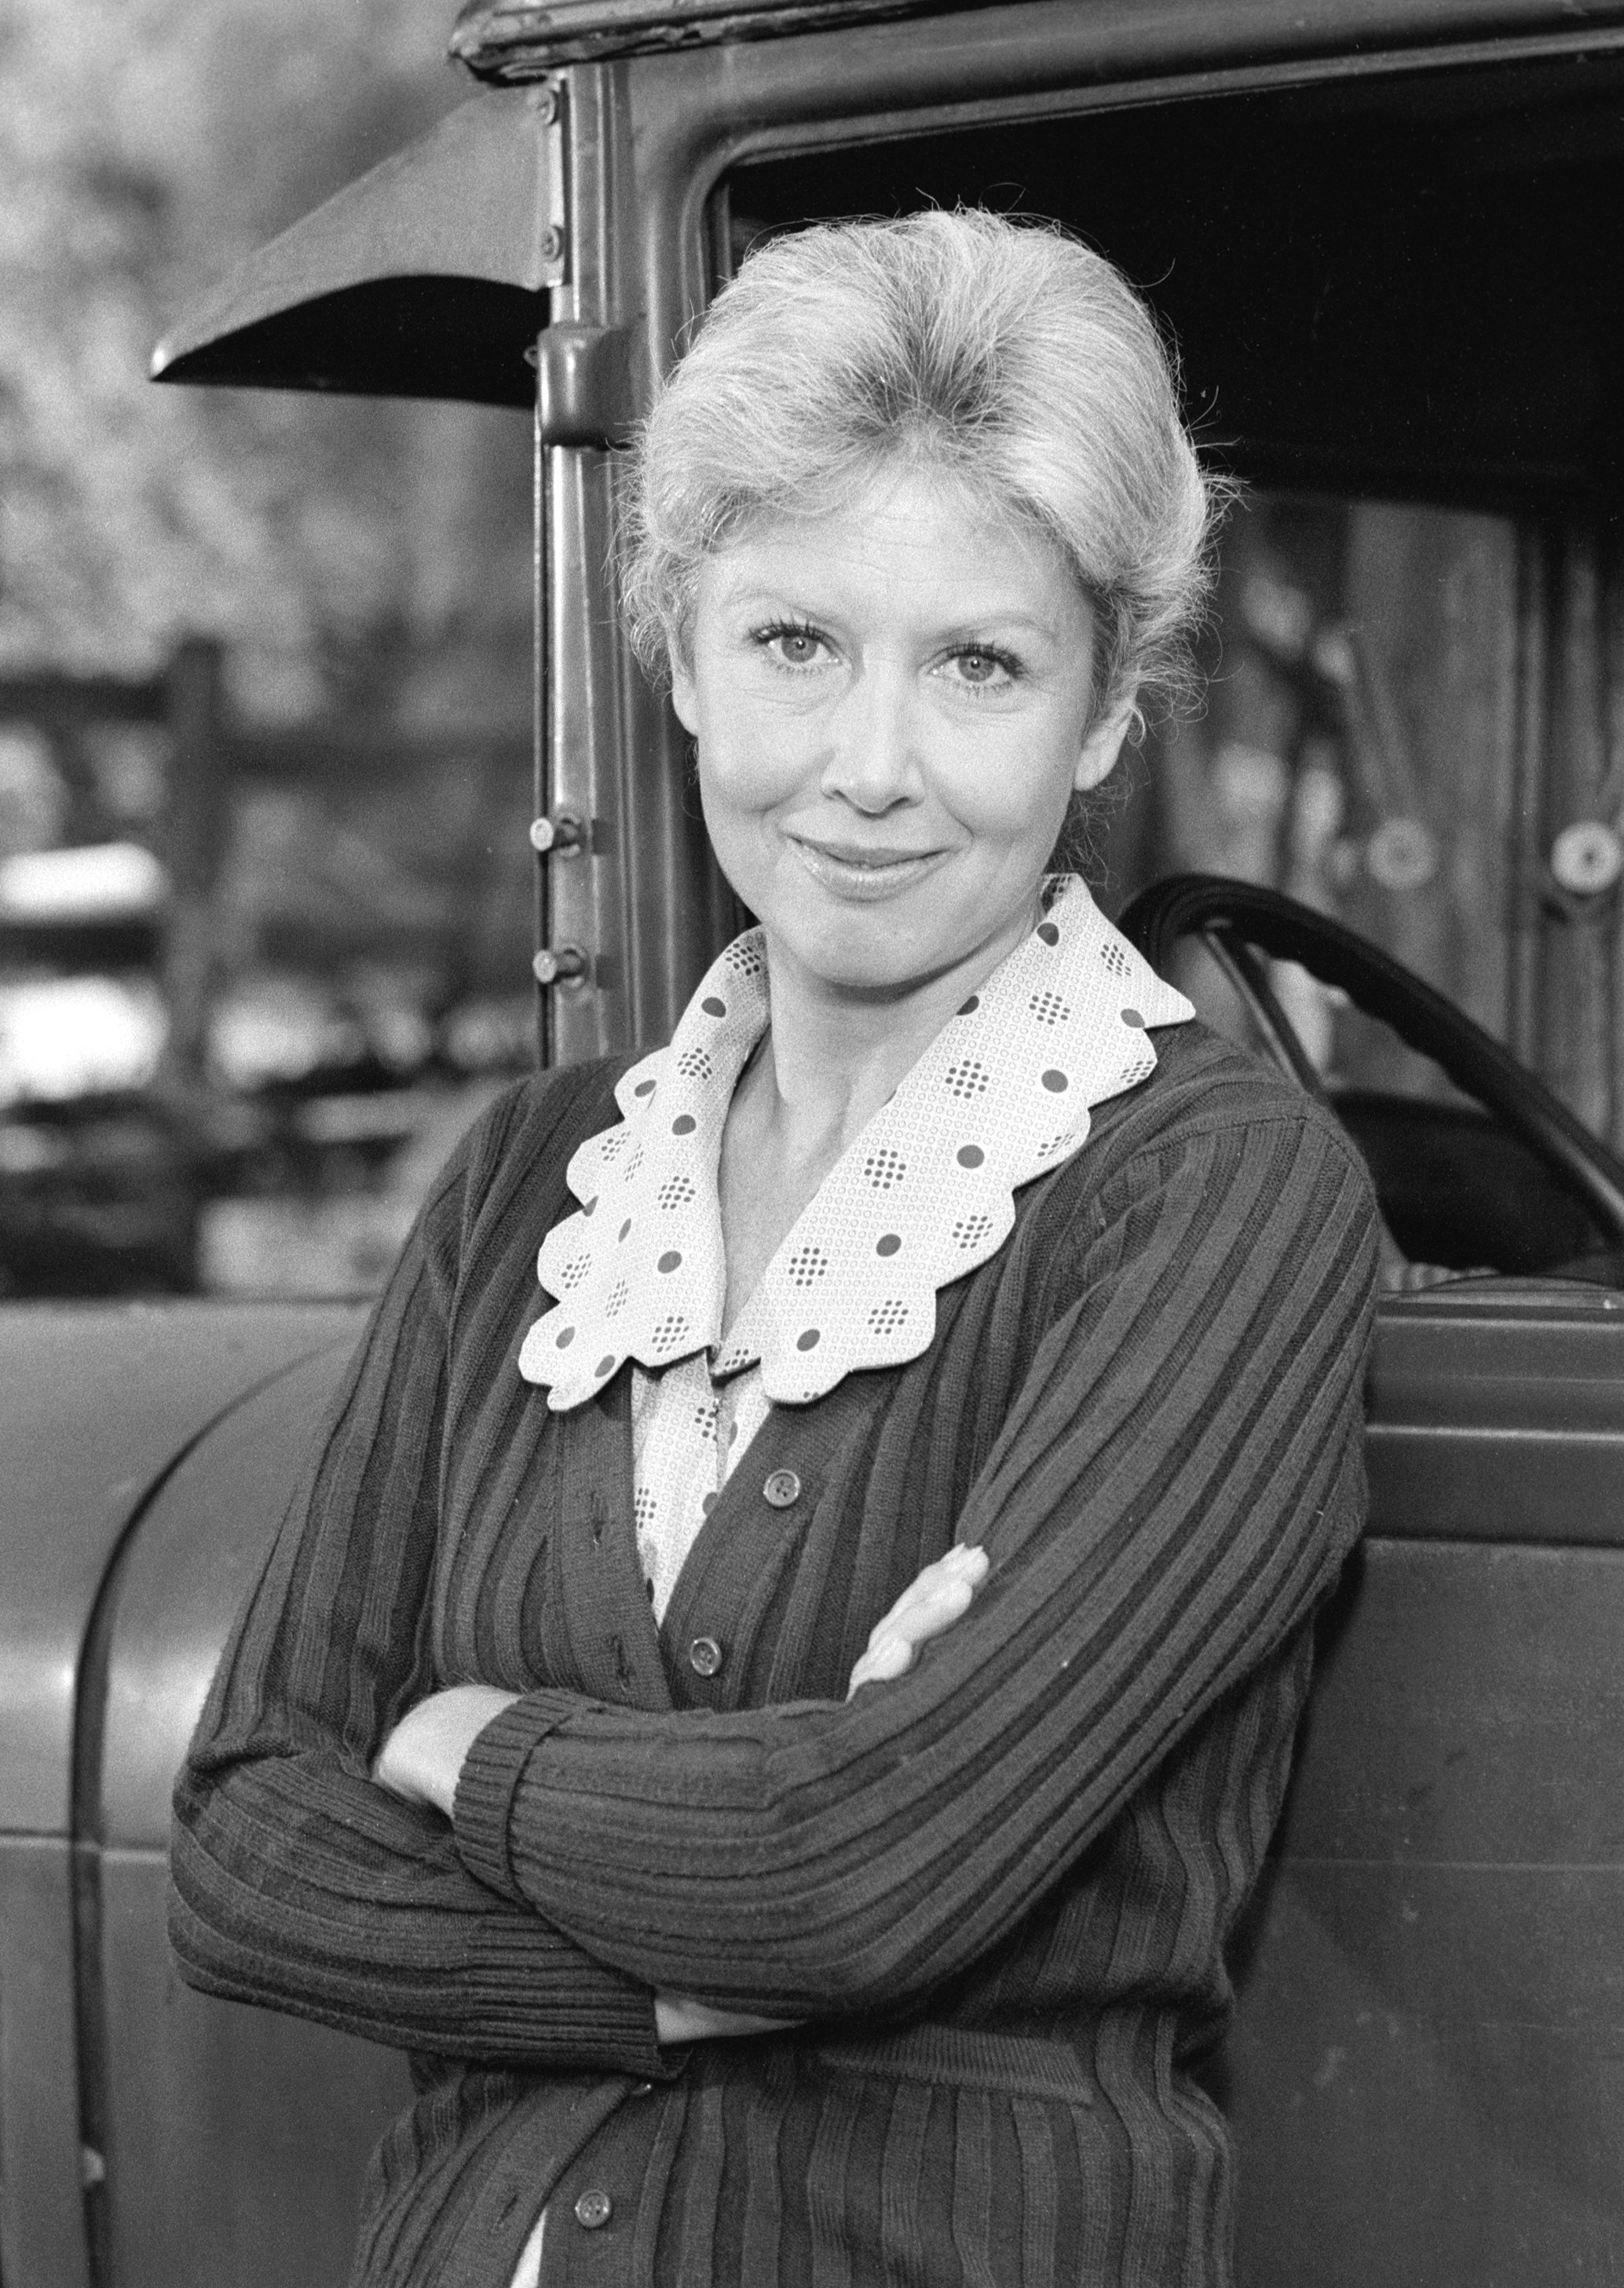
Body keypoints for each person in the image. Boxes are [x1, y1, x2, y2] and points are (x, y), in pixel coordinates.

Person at [170, 208, 1379, 2288]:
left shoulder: (1214, 1194)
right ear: (677, 654)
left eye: (979, 665)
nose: (869, 770)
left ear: (1104, 717)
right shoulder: (535, 1175)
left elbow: (859, 1874)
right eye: (794, 645)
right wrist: (672, 1961)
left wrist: (469, 1748)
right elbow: (243, 1846)